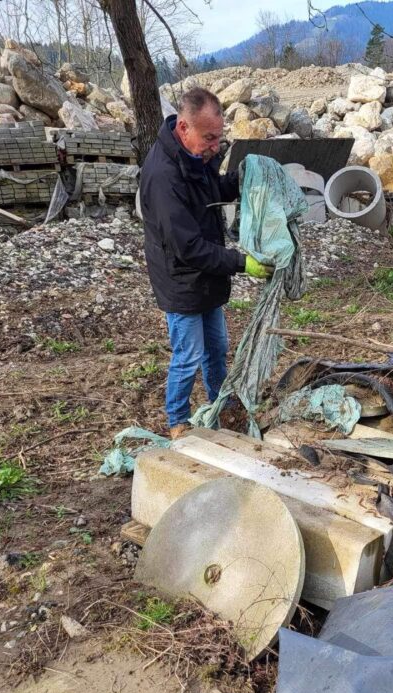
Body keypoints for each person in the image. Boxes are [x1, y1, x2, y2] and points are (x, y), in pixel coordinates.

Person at [139, 87, 273, 438]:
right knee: (188, 355)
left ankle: (222, 406)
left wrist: (242, 180)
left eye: (219, 137)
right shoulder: (163, 176)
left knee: (217, 348)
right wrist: (243, 263)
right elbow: (188, 247)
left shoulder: (197, 156)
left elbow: (213, 192)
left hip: (208, 277)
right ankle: (178, 422)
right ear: (184, 128)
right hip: (181, 280)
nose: (216, 146)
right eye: (210, 138)